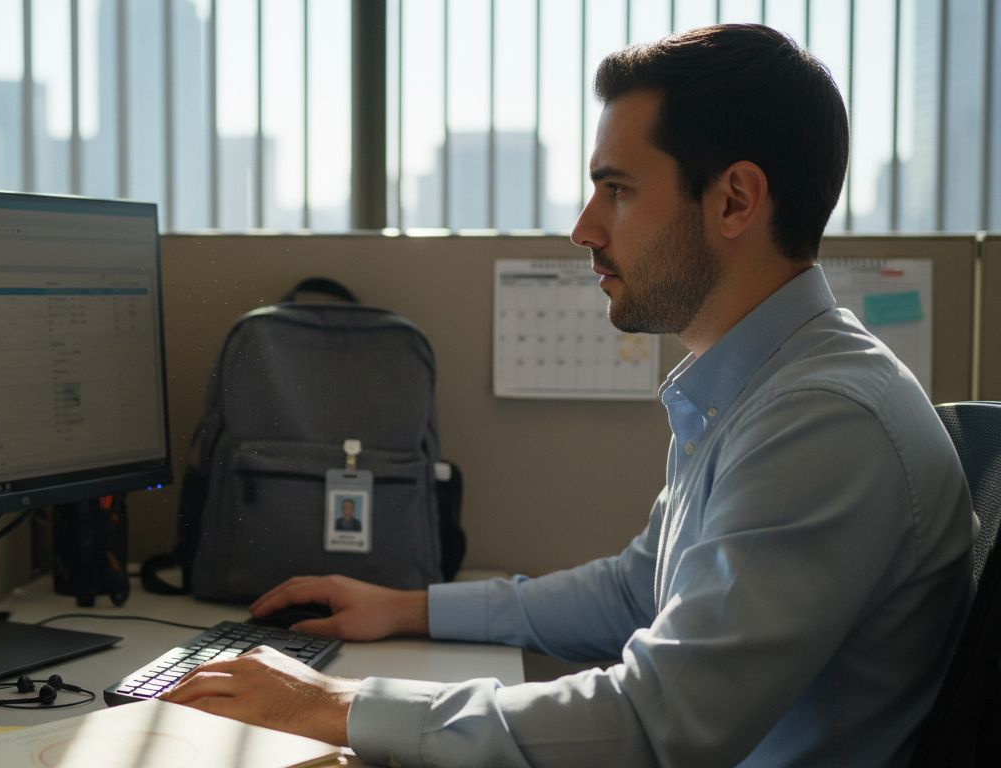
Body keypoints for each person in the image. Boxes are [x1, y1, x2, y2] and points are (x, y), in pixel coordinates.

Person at [161, 24, 975, 766]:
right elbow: (635, 591)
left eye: (616, 189)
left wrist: (335, 706)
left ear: (734, 200)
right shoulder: (760, 386)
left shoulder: (824, 422)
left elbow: (659, 726)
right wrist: (408, 609)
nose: (585, 227)